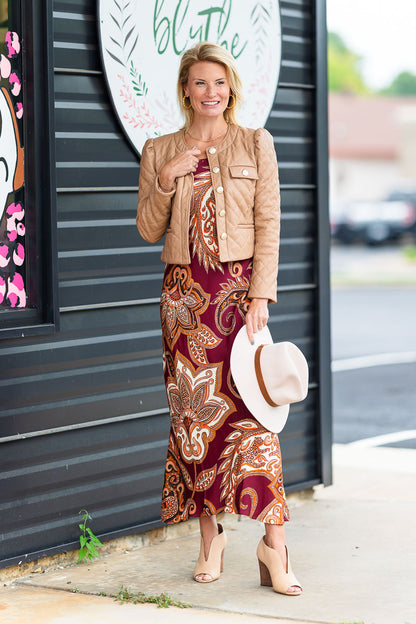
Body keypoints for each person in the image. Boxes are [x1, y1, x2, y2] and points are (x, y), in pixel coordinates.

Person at [136, 42, 301, 595]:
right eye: (201, 82)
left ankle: (275, 547)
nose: (212, 92)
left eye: (220, 82)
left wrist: (261, 295)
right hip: (183, 302)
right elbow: (145, 228)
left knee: (258, 415)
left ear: (231, 88)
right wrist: (167, 179)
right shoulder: (160, 148)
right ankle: (211, 539)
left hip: (238, 300)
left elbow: (270, 223)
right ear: (185, 89)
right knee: (194, 422)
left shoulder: (256, 143)